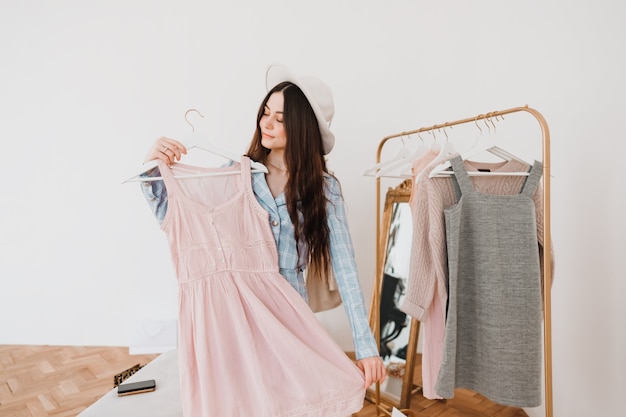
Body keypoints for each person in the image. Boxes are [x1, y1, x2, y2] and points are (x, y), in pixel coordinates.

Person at [141, 65, 385, 415]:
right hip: (238, 313)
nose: (266, 124)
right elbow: (175, 216)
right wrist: (153, 167)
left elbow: (346, 269)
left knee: (296, 400)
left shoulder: (324, 189)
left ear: (302, 127)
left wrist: (365, 346)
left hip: (289, 311)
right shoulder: (237, 173)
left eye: (280, 118)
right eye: (265, 113)